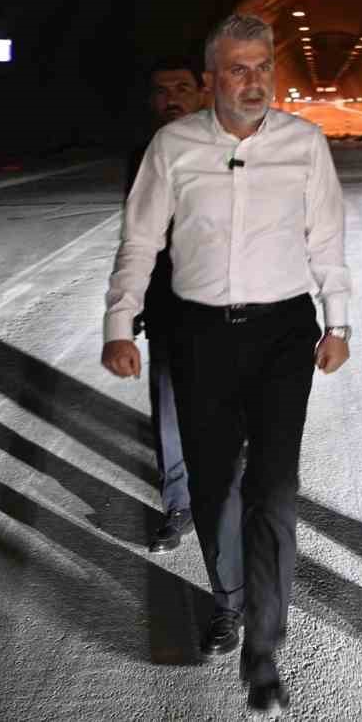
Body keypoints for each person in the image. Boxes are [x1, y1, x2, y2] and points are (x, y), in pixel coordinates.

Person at [102, 13, 352, 719]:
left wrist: (339, 320)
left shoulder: (303, 144)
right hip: (201, 335)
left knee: (274, 490)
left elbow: (327, 237)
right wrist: (119, 321)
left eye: (263, 65)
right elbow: (139, 238)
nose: (254, 81)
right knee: (215, 491)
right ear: (211, 79)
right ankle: (230, 600)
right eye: (238, 69)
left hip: (281, 336)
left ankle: (264, 652)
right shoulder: (172, 146)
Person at [127, 54, 206, 553]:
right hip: (167, 306)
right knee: (170, 408)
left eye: (181, 86)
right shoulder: (142, 156)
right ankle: (178, 503)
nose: (171, 98)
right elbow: (137, 235)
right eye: (161, 89)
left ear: (203, 91)